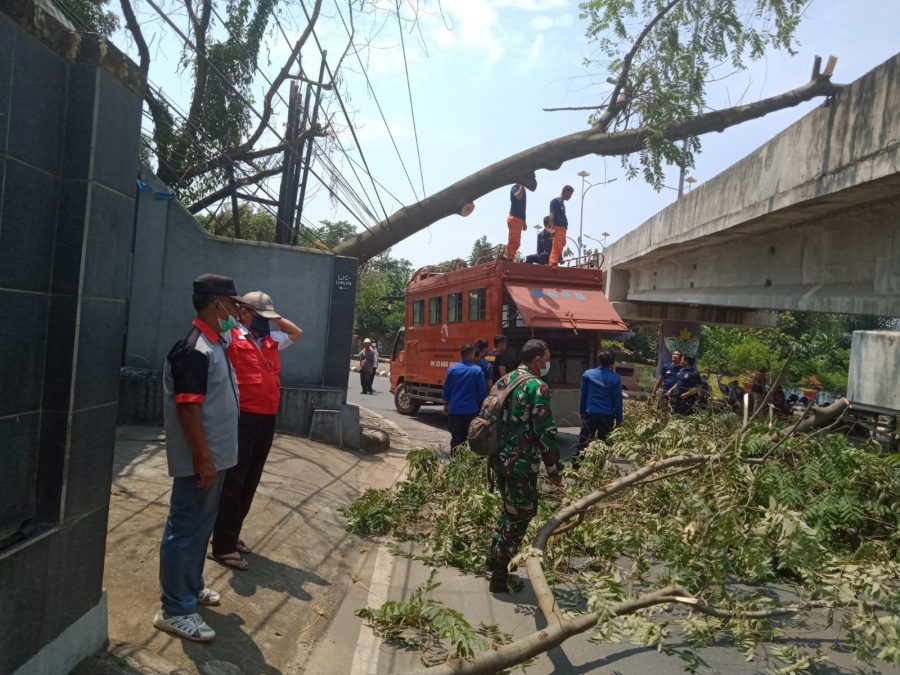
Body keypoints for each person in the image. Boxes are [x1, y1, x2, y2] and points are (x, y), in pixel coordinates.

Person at [154, 274, 246, 642]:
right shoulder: (193, 349)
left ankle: (190, 587)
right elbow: (189, 412)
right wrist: (203, 459)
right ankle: (175, 609)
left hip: (215, 458)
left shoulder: (214, 343)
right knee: (185, 529)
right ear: (216, 304)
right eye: (233, 304)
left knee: (199, 528)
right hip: (201, 461)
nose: (236, 312)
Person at [209, 291, 303, 572]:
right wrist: (242, 313)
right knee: (235, 480)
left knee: (251, 479)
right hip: (243, 418)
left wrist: (270, 317)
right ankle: (222, 546)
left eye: (268, 319)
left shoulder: (271, 341)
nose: (267, 323)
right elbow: (218, 320)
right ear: (245, 314)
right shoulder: (232, 336)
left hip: (267, 419)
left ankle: (232, 534)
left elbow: (296, 332)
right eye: (262, 317)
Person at [485, 339, 563, 593]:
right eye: (547, 357)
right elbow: (546, 433)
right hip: (521, 463)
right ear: (538, 359)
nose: (548, 362)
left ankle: (494, 556)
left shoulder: (505, 379)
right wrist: (554, 469)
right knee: (521, 516)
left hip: (499, 457)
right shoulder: (536, 386)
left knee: (508, 510)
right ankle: (499, 576)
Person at [573, 350, 623, 465]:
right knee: (604, 443)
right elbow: (617, 400)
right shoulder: (615, 378)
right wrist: (619, 419)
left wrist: (581, 411)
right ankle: (598, 471)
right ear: (612, 363)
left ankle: (575, 467)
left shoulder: (588, 374)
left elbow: (583, 395)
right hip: (607, 415)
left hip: (591, 413)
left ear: (598, 361)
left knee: (584, 440)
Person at [442, 344, 488, 452]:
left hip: (455, 410)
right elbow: (482, 393)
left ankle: (455, 464)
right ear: (471, 354)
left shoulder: (452, 369)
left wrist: (446, 404)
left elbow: (447, 389)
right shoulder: (477, 370)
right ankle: (471, 465)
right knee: (473, 439)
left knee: (457, 439)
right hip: (471, 411)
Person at [548, 185, 574, 267]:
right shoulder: (555, 201)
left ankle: (558, 258)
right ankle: (553, 264)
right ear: (565, 191)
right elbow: (551, 215)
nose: (570, 196)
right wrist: (552, 229)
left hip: (562, 229)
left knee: (561, 244)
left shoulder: (562, 203)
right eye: (570, 194)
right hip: (558, 228)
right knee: (556, 247)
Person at [506, 183, 528, 260]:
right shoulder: (514, 188)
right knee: (514, 241)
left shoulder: (523, 190)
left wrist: (524, 221)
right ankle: (509, 258)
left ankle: (510, 257)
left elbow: (522, 207)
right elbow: (518, 196)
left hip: (518, 219)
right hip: (514, 218)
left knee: (516, 243)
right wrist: (522, 184)